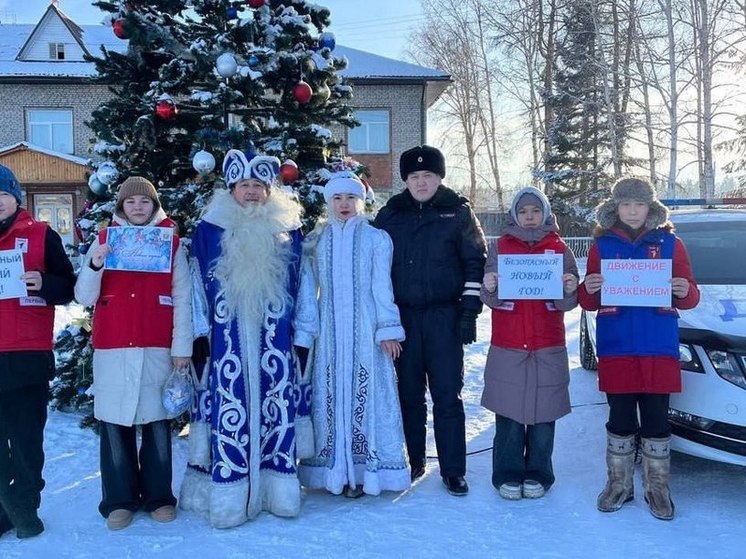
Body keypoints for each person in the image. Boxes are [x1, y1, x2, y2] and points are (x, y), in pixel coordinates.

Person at [180, 149, 312, 528]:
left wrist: (304, 333)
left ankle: (277, 491)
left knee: (275, 409)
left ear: (269, 190)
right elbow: (193, 286)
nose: (251, 191)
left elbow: (304, 286)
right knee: (228, 412)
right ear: (231, 188)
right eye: (244, 185)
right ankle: (229, 497)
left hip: (276, 345)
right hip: (226, 344)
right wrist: (199, 334)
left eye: (258, 185)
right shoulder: (209, 229)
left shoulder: (288, 230)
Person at [578, 177, 700, 521]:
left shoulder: (671, 243)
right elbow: (587, 300)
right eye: (626, 205)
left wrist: (681, 289)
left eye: (639, 204)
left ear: (651, 208)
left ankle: (658, 488)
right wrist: (590, 286)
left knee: (657, 420)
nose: (633, 211)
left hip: (658, 346)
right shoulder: (601, 246)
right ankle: (619, 484)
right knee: (619, 419)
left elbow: (691, 296)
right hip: (618, 346)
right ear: (615, 208)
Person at [75, 176, 193, 531]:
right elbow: (83, 297)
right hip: (113, 346)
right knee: (115, 423)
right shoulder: (104, 240)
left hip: (156, 344)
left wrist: (181, 348)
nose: (138, 207)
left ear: (154, 206)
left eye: (145, 201)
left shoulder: (171, 244)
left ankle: (159, 497)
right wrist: (95, 264)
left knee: (157, 423)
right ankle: (119, 500)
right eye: (131, 202)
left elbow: (184, 298)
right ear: (121, 207)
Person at [374, 145, 486, 496]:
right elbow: (374, 267)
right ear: (405, 180)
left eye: (428, 176)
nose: (421, 183)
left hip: (444, 317)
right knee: (408, 395)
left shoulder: (458, 213)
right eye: (414, 177)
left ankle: (453, 469)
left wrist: (468, 311)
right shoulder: (390, 215)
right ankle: (413, 459)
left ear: (440, 177)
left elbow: (475, 262)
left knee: (447, 396)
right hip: (403, 319)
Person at [295, 174, 410, 498]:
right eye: (337, 198)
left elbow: (381, 288)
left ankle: (365, 471)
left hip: (365, 332)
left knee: (367, 396)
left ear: (361, 201)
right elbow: (307, 290)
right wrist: (306, 332)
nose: (343, 204)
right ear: (328, 202)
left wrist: (387, 329)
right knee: (329, 396)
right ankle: (332, 470)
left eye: (350, 197)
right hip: (329, 334)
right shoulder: (317, 241)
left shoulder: (376, 239)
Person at [480, 187, 578, 500]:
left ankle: (539, 472)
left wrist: (569, 286)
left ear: (546, 214)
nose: (530, 216)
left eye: (536, 210)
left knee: (543, 413)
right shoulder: (501, 248)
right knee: (508, 413)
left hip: (546, 343)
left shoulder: (560, 249)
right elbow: (490, 298)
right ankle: (507, 473)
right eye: (524, 211)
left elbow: (568, 303)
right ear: (515, 215)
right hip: (508, 343)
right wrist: (490, 286)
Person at [0, 163, 75, 539]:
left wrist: (43, 282)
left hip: (28, 355)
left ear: (15, 197)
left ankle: (25, 504)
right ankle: (4, 510)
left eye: (2, 195)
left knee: (27, 438)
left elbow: (68, 287)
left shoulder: (42, 235)